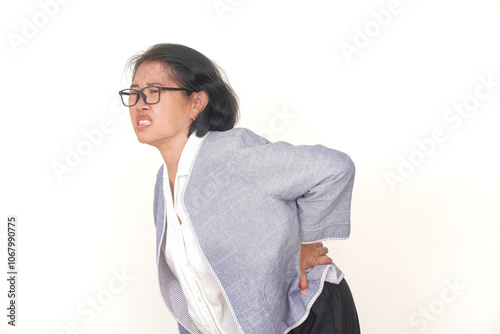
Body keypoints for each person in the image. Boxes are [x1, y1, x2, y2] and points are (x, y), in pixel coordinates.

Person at [119, 43, 360, 334]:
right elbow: (193, 290)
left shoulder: (232, 153)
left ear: (196, 103)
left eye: (154, 91)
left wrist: (306, 246)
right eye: (133, 93)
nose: (140, 103)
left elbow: (334, 168)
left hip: (306, 315)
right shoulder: (163, 183)